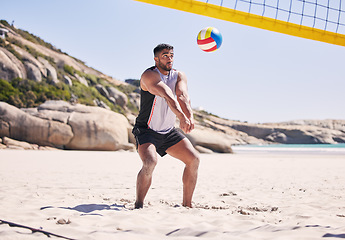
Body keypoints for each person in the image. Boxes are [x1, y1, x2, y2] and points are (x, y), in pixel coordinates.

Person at [132, 43, 200, 209]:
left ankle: (187, 205)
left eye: (171, 55)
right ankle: (139, 204)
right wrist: (181, 117)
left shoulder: (178, 75)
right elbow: (168, 96)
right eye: (165, 56)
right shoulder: (149, 75)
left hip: (168, 132)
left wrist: (189, 116)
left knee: (194, 160)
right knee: (150, 162)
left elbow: (182, 95)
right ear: (156, 59)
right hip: (146, 130)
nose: (169, 59)